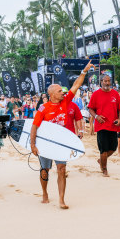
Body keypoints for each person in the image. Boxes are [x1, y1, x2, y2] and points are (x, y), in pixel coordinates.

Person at [30, 61, 94, 209]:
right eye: (59, 91)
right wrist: (33, 144)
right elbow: (34, 127)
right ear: (51, 94)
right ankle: (45, 193)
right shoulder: (43, 108)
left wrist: (84, 71)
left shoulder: (65, 102)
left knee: (62, 169)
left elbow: (76, 85)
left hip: (60, 142)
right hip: (45, 142)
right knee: (45, 170)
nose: (63, 93)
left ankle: (61, 199)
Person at [89, 74, 120, 176]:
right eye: (105, 81)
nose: (107, 83)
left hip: (113, 125)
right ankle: (104, 169)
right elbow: (90, 108)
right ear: (101, 82)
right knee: (103, 149)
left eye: (109, 81)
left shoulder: (115, 93)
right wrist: (96, 117)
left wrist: (119, 118)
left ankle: (101, 160)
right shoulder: (96, 94)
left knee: (113, 148)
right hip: (101, 126)